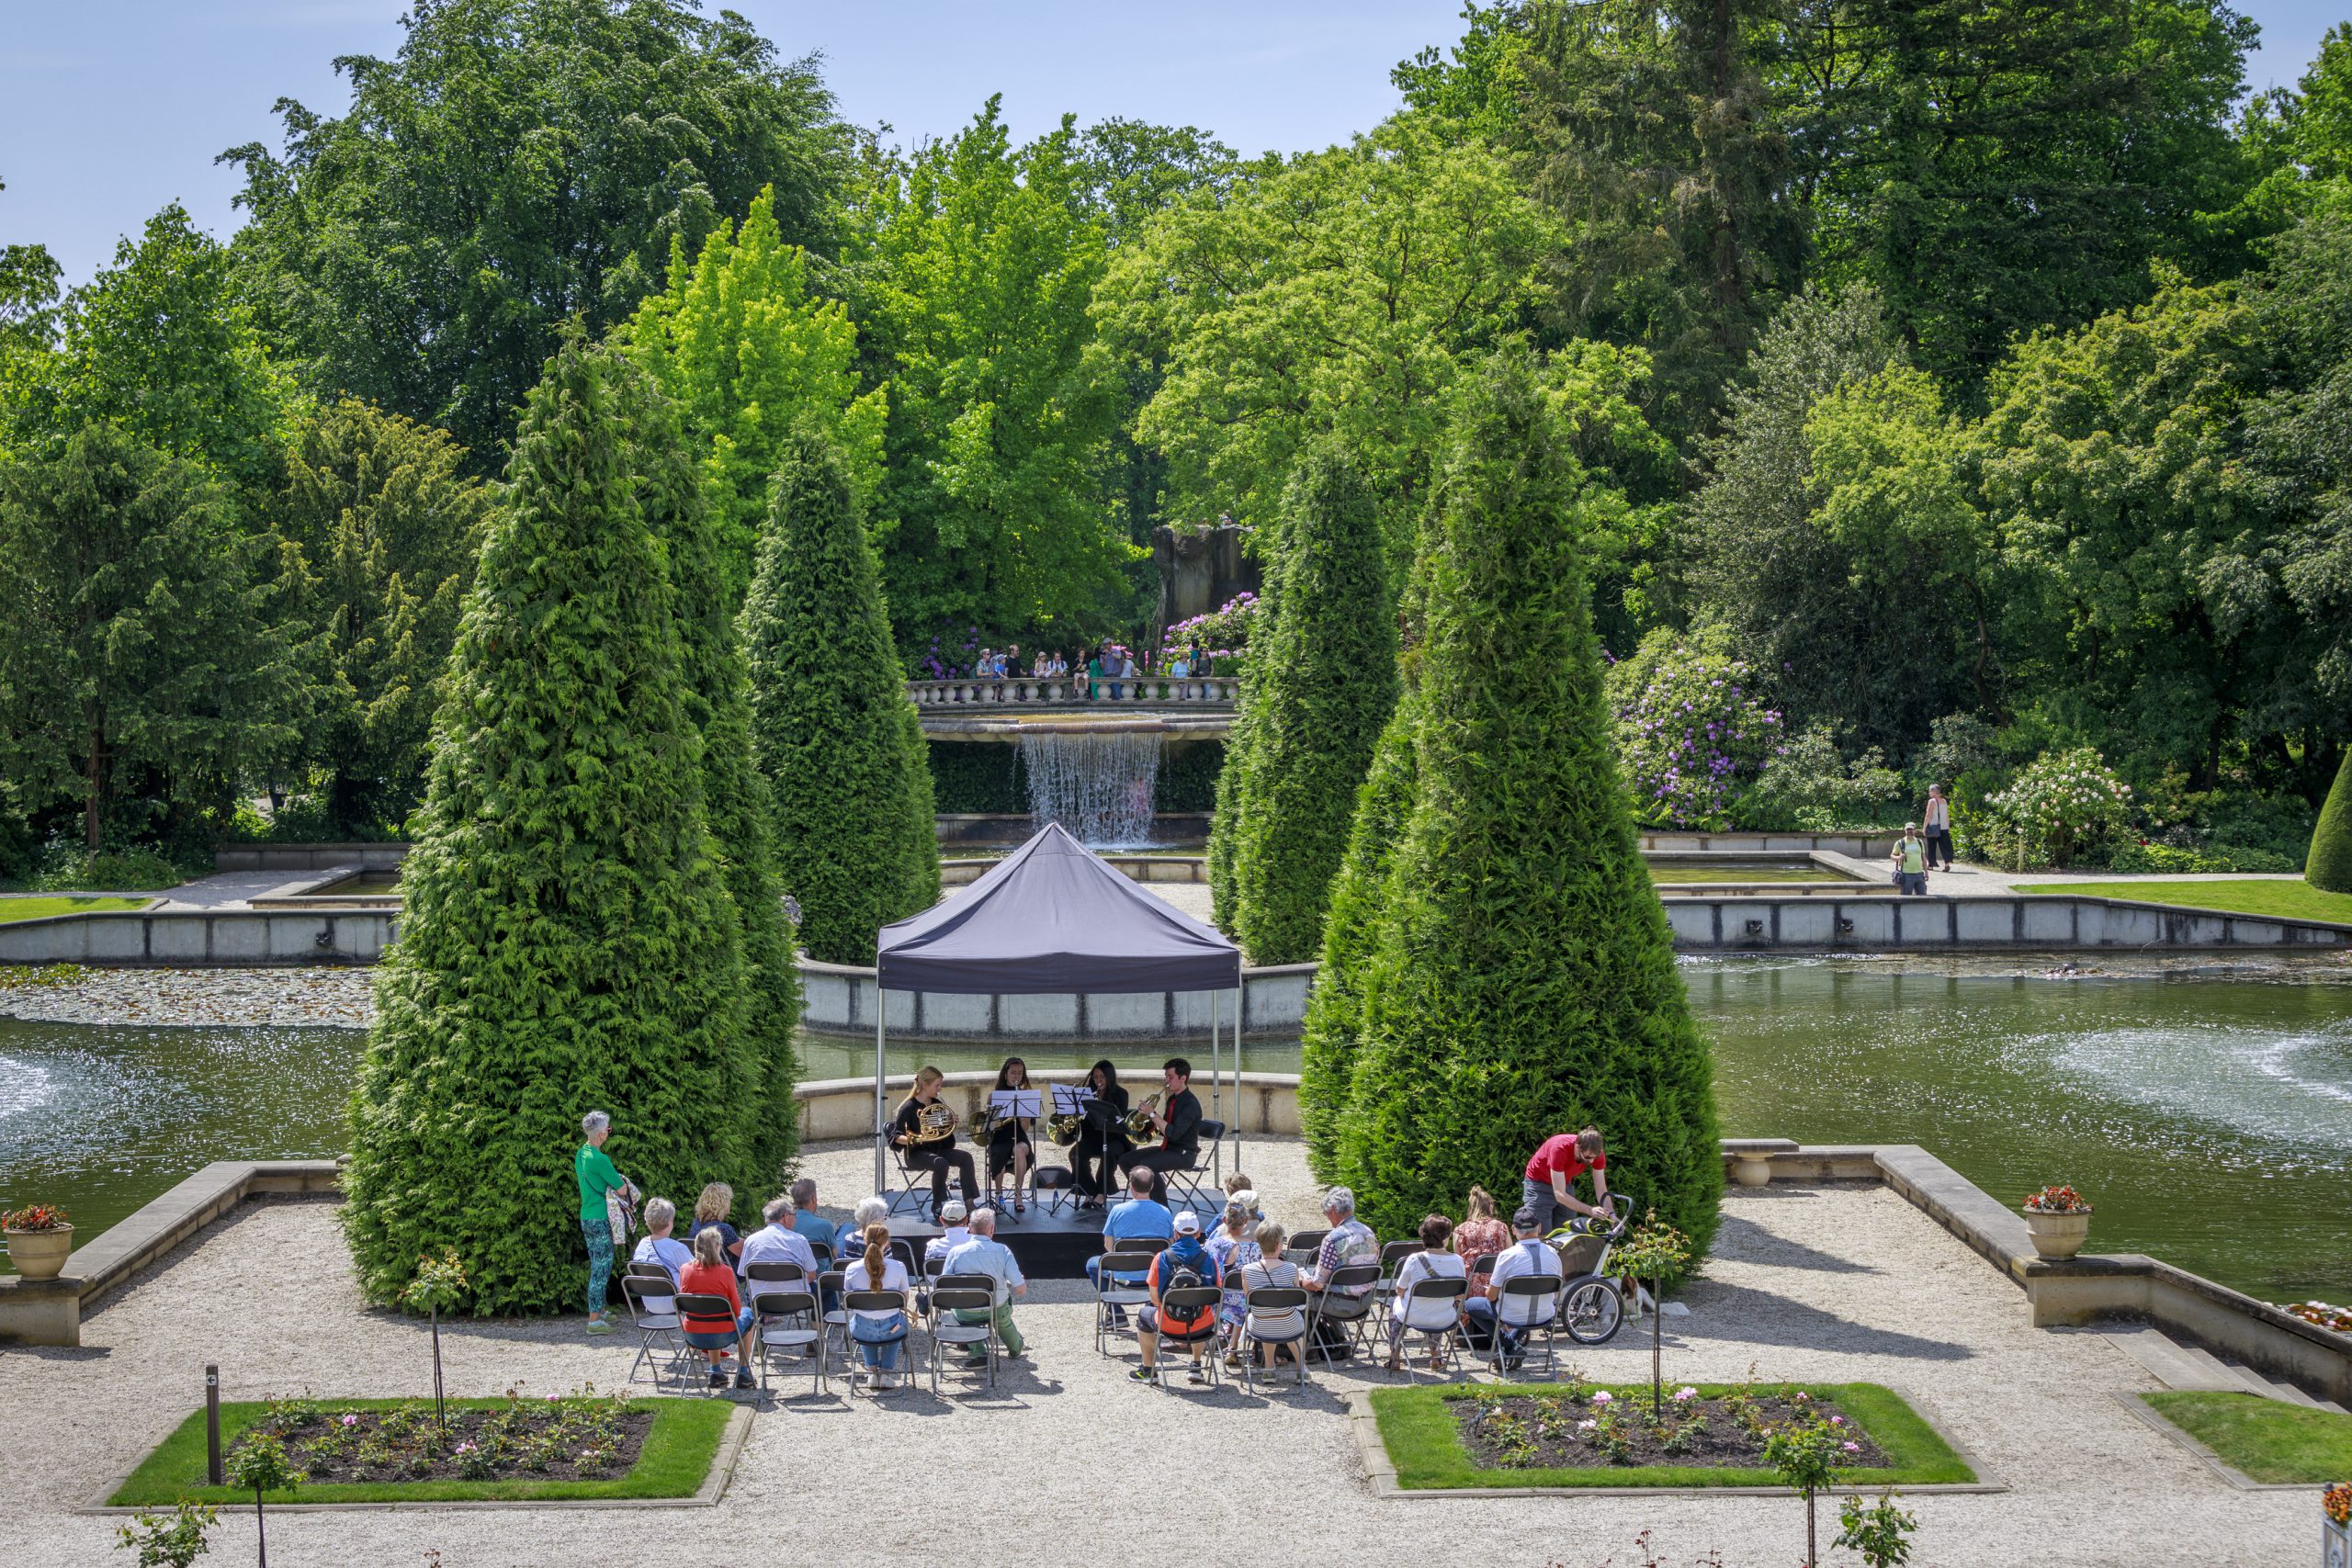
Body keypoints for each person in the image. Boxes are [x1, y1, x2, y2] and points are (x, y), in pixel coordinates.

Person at [1464, 1207, 1566, 1371]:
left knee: (1470, 1305)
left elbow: (1491, 1297)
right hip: (1545, 1314)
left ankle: (1508, 1344)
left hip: (1512, 1315)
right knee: (1524, 1306)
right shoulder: (1553, 1253)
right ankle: (1511, 1347)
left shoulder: (1507, 1256)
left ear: (1513, 1229)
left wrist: (1490, 1290)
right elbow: (1556, 1290)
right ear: (1539, 1227)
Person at [1134, 1210, 1224, 1384]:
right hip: (1202, 1326)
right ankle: (1196, 1365)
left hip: (1168, 1324)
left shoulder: (1161, 1258)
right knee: (1204, 1310)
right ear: (1198, 1234)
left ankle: (1148, 1370)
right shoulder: (1210, 1258)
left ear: (1175, 1233)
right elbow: (1217, 1294)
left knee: (1143, 1314)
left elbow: (1154, 1298)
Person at [1085, 1166, 1173, 1326]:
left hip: (1122, 1273)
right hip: (1154, 1274)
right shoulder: (1165, 1212)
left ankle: (1116, 1313)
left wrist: (1125, 1262)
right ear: (1152, 1186)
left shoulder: (1118, 1211)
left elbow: (1108, 1245)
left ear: (1130, 1186)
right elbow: (1170, 1248)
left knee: (1092, 1265)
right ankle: (1152, 1309)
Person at [574, 1110, 637, 1335]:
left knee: (597, 1264)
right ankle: (594, 1321)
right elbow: (621, 1189)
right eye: (608, 1130)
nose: (609, 1133)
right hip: (601, 1218)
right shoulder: (600, 1159)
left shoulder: (581, 1153)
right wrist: (624, 1183)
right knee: (601, 1269)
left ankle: (600, 1309)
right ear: (601, 1134)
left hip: (587, 1216)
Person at [941, 1205, 1028, 1359]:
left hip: (966, 1311)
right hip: (997, 1307)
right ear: (992, 1229)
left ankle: (979, 1351)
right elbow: (1020, 1289)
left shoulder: (955, 1252)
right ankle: (1015, 1347)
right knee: (1003, 1318)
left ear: (970, 1228)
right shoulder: (1003, 1250)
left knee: (964, 1313)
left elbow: (944, 1285)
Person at [677, 1225, 759, 1390]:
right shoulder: (726, 1271)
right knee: (748, 1313)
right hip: (722, 1334)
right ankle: (743, 1372)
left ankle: (715, 1371)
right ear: (717, 1247)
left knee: (710, 1316)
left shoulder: (685, 1270)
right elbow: (736, 1310)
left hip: (692, 1334)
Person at [1385, 1214, 1468, 1373]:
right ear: (1446, 1237)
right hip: (1444, 1319)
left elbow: (1399, 1290)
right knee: (1437, 1306)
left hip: (1413, 1316)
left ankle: (1395, 1357)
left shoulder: (1414, 1259)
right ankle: (1436, 1356)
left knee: (1393, 1306)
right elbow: (1459, 1296)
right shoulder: (1458, 1260)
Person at [890, 1065, 978, 1214]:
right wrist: (915, 1140)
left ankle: (969, 1202)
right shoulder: (908, 1108)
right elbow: (895, 1136)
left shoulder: (937, 1105)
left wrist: (950, 1124)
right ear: (925, 1085)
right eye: (937, 1085)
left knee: (966, 1158)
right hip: (916, 1154)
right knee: (940, 1163)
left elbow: (943, 1133)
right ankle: (939, 1203)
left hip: (938, 1149)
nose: (939, 1089)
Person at [1118, 1057, 1202, 1207]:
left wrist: (1152, 1114)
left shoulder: (1191, 1104)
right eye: (1166, 1076)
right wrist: (1145, 1119)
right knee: (1126, 1160)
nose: (1166, 1081)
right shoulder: (1172, 1099)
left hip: (1184, 1153)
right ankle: (1144, 1196)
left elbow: (1174, 1133)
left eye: (1170, 1077)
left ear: (1183, 1078)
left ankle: (1162, 1208)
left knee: (1146, 1166)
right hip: (1168, 1148)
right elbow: (1163, 1128)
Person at [842, 1222, 913, 1388]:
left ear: (865, 1241)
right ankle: (886, 1374)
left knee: (863, 1317)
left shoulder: (852, 1268)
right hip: (892, 1329)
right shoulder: (899, 1266)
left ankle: (872, 1373)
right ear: (886, 1243)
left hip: (862, 1330)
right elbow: (904, 1300)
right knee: (895, 1319)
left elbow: (847, 1300)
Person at [1238, 1220, 1305, 1371]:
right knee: (1287, 1316)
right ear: (1277, 1245)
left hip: (1260, 1326)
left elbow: (1249, 1300)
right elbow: (1299, 1300)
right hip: (1289, 1326)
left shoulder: (1247, 1270)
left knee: (1266, 1313)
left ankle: (1269, 1368)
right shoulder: (1291, 1268)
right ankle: (1302, 1368)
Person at [1522, 1126, 1611, 1235]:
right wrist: (1590, 1210)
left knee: (1567, 1232)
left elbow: (1602, 1190)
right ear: (1578, 1147)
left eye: (1595, 1157)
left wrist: (1612, 1215)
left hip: (1563, 1184)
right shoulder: (1559, 1148)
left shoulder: (1595, 1154)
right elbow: (1559, 1194)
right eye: (1588, 1157)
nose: (1592, 1161)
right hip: (1538, 1184)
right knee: (1540, 1233)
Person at [1204, 1197, 1261, 1364]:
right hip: (1244, 1300)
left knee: (1238, 1294)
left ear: (1224, 1220)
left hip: (1215, 1298)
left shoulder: (1211, 1245)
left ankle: (1221, 1343)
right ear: (1246, 1221)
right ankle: (1233, 1347)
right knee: (1244, 1295)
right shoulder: (1254, 1247)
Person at [1071, 1059, 1131, 1208]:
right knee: (1075, 1153)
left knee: (1109, 1152)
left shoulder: (1121, 1094)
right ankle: (1089, 1190)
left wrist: (1099, 1107)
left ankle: (1102, 1192)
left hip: (1115, 1139)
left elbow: (1119, 1122)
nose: (1098, 1080)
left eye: (1102, 1077)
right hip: (1092, 1138)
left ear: (1109, 1078)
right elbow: (1083, 1124)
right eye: (1095, 1077)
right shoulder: (1085, 1095)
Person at [1302, 1186, 1378, 1300]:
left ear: (1333, 1209)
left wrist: (1300, 1282)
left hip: (1336, 1302)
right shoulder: (1369, 1233)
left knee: (1299, 1296)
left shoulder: (1333, 1239)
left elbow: (1317, 1284)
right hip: (1364, 1302)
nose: (1327, 1217)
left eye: (1325, 1213)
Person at [986, 1056, 1037, 1215]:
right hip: (1000, 1137)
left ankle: (1018, 1195)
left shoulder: (1026, 1096)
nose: (1017, 1076)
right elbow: (990, 1126)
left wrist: (1024, 1118)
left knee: (1021, 1150)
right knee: (999, 1153)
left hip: (1019, 1137)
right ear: (1006, 1074)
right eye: (1013, 1073)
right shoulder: (994, 1095)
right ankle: (998, 1195)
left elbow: (1025, 1128)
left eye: (1020, 1073)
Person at [737, 1193, 820, 1289]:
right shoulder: (799, 1240)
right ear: (786, 1216)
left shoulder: (751, 1240)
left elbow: (743, 1272)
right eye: (794, 1215)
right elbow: (812, 1274)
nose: (796, 1219)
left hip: (761, 1300)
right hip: (796, 1301)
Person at [1452, 1184, 1511, 1280]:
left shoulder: (1459, 1230)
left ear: (1471, 1207)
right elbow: (1509, 1257)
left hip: (1469, 1286)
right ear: (1490, 1206)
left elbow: (1458, 1261)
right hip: (1497, 1284)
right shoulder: (1501, 1227)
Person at [629, 1198, 694, 1286]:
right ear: (669, 1222)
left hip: (647, 1297)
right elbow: (696, 1274)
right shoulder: (677, 1248)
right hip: (675, 1298)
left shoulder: (642, 1245)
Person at [688, 1182, 743, 1264]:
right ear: (724, 1203)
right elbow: (743, 1252)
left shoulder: (696, 1224)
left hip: (703, 1270)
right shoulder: (722, 1229)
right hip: (725, 1274)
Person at [787, 1178, 835, 1258]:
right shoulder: (824, 1225)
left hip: (795, 1269)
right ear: (813, 1199)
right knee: (847, 1228)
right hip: (822, 1271)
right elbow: (835, 1253)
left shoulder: (786, 1224)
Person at [923, 1200, 974, 1273]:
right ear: (966, 1220)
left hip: (942, 1284)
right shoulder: (977, 1243)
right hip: (973, 1284)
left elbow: (929, 1275)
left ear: (941, 1220)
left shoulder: (933, 1246)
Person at [1892, 822, 1929, 896]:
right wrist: (1899, 857)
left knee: (1923, 897)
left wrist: (1926, 872)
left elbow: (1924, 858)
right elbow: (1892, 856)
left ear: (1915, 831)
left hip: (1919, 874)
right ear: (1905, 831)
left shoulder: (1919, 842)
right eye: (1908, 829)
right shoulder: (1900, 843)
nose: (1909, 831)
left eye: (1911, 829)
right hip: (1906, 875)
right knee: (1905, 898)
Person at [1924, 784, 1955, 872]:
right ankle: (1947, 864)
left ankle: (1930, 865)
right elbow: (1947, 815)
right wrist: (1948, 826)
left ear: (1934, 792)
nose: (1929, 792)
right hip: (1944, 827)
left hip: (1933, 826)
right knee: (1945, 846)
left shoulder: (1932, 801)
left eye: (1930, 791)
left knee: (1931, 846)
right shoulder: (1944, 801)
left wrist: (1924, 827)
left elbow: (1928, 815)